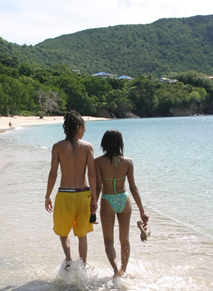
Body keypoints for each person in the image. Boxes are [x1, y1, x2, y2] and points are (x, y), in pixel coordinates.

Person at [45, 110, 97, 266]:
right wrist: (94, 197)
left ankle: (68, 261)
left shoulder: (57, 147)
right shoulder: (88, 147)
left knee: (63, 232)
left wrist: (47, 196)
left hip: (65, 195)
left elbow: (53, 174)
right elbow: (92, 174)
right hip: (83, 194)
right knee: (82, 235)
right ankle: (83, 266)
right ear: (80, 127)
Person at [95, 129, 148, 277]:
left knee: (109, 242)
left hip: (107, 200)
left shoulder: (98, 162)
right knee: (124, 240)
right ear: (120, 143)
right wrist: (142, 211)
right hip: (124, 199)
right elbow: (133, 188)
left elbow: (98, 187)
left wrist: (93, 205)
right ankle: (124, 271)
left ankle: (116, 270)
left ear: (104, 143)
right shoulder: (128, 162)